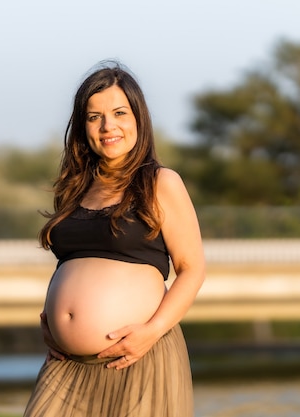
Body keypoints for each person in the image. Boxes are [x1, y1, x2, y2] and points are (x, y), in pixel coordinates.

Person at [23, 61, 205, 417]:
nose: (108, 126)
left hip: (139, 356)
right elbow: (76, 264)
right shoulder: (75, 188)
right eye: (94, 117)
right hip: (66, 362)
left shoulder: (160, 183)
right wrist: (55, 322)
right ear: (82, 126)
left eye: (119, 113)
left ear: (138, 118)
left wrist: (151, 332)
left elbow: (192, 269)